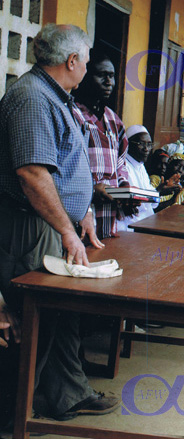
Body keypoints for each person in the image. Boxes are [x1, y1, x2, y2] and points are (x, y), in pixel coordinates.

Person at [0, 24, 118, 425]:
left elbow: (65, 164)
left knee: (62, 314)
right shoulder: (32, 98)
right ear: (72, 61)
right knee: (35, 320)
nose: (87, 68)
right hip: (30, 226)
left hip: (52, 222)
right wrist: (67, 229)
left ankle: (68, 394)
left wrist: (81, 210)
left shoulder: (55, 96)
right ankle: (13, 416)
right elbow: (33, 174)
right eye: (86, 61)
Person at [73, 51, 131, 239]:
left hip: (107, 216)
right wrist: (91, 189)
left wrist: (125, 188)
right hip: (79, 213)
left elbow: (121, 163)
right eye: (101, 75)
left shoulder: (114, 120)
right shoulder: (73, 115)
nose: (108, 82)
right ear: (85, 77)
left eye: (111, 76)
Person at [116, 125, 158, 232]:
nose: (146, 149)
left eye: (149, 144)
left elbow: (152, 202)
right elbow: (137, 201)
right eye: (141, 144)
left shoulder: (140, 165)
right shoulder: (123, 165)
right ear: (128, 144)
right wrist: (159, 192)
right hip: (129, 225)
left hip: (144, 222)